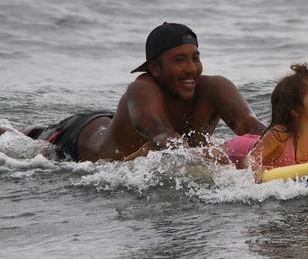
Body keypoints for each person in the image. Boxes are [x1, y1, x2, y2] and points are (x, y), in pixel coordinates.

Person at [2, 22, 266, 162]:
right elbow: (164, 138)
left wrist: (291, 142)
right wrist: (222, 160)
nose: (191, 69)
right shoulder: (142, 89)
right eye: (179, 60)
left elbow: (250, 125)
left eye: (195, 57)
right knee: (23, 137)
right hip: (75, 140)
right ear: (155, 68)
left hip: (113, 123)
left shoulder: (213, 87)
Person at [223, 63, 308, 182]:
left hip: (259, 143)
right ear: (295, 109)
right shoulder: (280, 134)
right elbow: (249, 160)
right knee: (208, 157)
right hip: (236, 151)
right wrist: (255, 169)